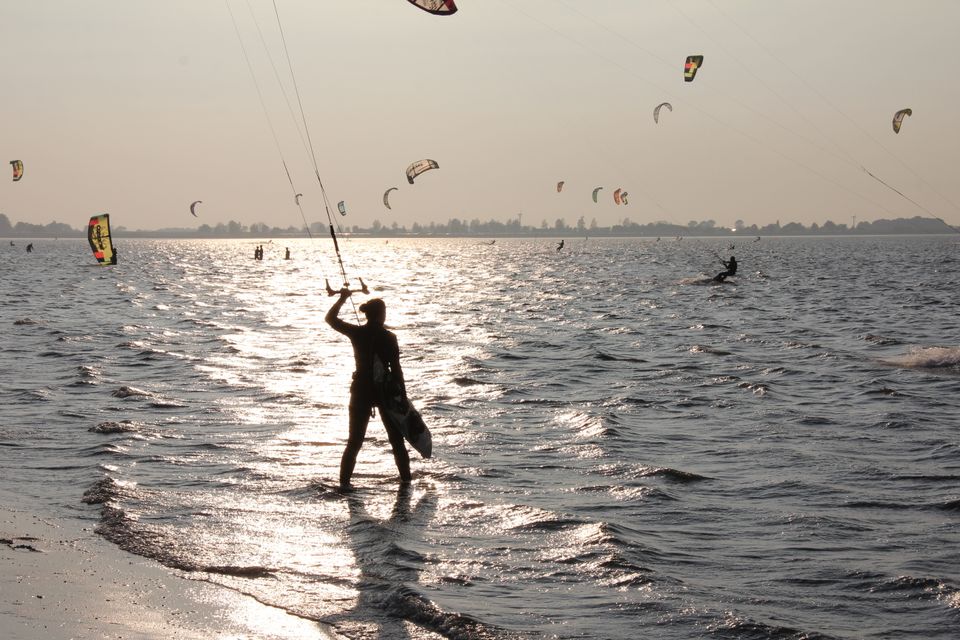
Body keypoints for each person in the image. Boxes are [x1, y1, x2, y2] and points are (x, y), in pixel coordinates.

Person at [326, 290, 411, 489]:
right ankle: (406, 483)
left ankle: (344, 485)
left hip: (360, 391)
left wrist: (343, 298)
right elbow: (396, 368)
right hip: (385, 393)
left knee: (354, 442)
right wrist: (403, 396)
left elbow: (330, 319)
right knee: (397, 441)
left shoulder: (357, 333)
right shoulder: (390, 337)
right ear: (381, 315)